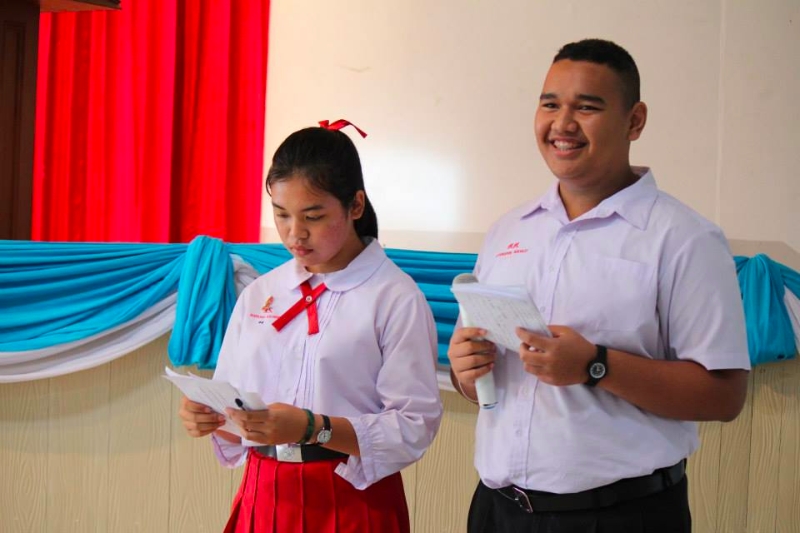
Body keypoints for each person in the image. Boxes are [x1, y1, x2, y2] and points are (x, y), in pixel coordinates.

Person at [447, 38, 750, 533]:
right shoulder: (507, 231)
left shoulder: (684, 238)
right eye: (550, 104)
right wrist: (466, 371)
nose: (562, 124)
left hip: (619, 516)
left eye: (586, 107)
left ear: (635, 121)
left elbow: (724, 396)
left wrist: (595, 365)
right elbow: (484, 386)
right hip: (497, 510)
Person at [178, 121, 443, 533]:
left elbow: (413, 426)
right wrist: (212, 419)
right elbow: (235, 401)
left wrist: (312, 428)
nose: (294, 234)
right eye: (281, 214)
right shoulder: (261, 292)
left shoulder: (394, 296)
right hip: (265, 492)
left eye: (313, 216)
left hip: (352, 498)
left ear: (356, 205)